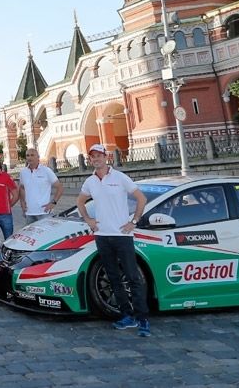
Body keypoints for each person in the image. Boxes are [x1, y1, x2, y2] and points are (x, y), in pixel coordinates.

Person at [77, 144, 150, 337]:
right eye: (93, 156)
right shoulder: (90, 181)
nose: (96, 159)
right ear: (90, 159)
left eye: (99, 156)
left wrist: (134, 221)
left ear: (106, 157)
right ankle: (127, 315)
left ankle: (142, 319)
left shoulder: (120, 177)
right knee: (114, 278)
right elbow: (80, 201)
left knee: (133, 278)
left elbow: (141, 198)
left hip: (122, 236)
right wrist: (88, 220)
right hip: (102, 236)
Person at [19, 148, 63, 223]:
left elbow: (60, 187)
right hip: (29, 213)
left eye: (32, 155)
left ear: (38, 157)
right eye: (27, 155)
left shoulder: (46, 171)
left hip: (44, 213)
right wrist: (22, 204)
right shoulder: (23, 172)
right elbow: (22, 188)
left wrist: (53, 202)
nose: (29, 157)